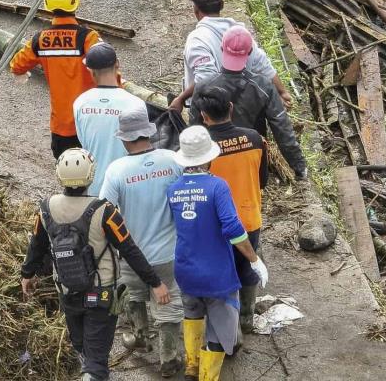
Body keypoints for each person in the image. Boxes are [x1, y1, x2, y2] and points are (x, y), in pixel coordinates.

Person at [20, 148, 171, 381]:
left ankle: (88, 370)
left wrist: (27, 275)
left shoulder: (45, 209)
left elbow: (37, 246)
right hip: (101, 295)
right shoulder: (105, 211)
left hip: (68, 292)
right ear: (90, 176)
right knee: (97, 360)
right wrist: (155, 283)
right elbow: (129, 249)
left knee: (81, 347)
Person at [167, 126, 268, 381]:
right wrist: (254, 259)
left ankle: (191, 367)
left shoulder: (173, 189)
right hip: (216, 274)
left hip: (185, 270)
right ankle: (206, 377)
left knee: (192, 314)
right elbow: (233, 228)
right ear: (209, 157)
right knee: (220, 329)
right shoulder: (217, 187)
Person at [99, 105, 185, 377]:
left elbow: (106, 212)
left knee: (134, 293)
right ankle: (169, 357)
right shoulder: (173, 160)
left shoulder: (117, 170)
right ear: (150, 132)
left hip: (133, 253)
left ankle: (140, 336)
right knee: (169, 304)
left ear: (124, 138)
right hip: (170, 252)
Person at [192, 86, 267, 335]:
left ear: (204, 115)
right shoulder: (255, 138)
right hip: (248, 216)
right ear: (231, 108)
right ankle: (247, 317)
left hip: (214, 222)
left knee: (221, 271)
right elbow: (262, 179)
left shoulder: (203, 148)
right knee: (248, 267)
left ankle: (224, 326)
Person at [190, 25, 308, 180]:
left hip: (215, 162)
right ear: (250, 51)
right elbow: (282, 129)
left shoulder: (203, 86)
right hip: (252, 162)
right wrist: (299, 168)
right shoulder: (264, 86)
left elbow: (194, 129)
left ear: (221, 47)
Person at [10, 0, 102, 160]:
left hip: (61, 127)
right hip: (91, 122)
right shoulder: (88, 38)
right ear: (76, 1)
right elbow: (108, 68)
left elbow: (17, 65)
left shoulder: (41, 39)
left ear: (47, 4)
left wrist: (21, 73)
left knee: (68, 175)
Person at [168, 0, 291, 112]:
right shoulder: (239, 32)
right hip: (244, 108)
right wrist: (282, 92)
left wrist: (181, 98)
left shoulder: (197, 39)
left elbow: (205, 79)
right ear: (222, 5)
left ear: (195, 9)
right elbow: (262, 64)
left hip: (212, 114)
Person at [74, 43, 145, 196]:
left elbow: (84, 143)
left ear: (90, 70)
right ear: (117, 64)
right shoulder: (136, 103)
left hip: (94, 189)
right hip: (129, 187)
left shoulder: (80, 103)